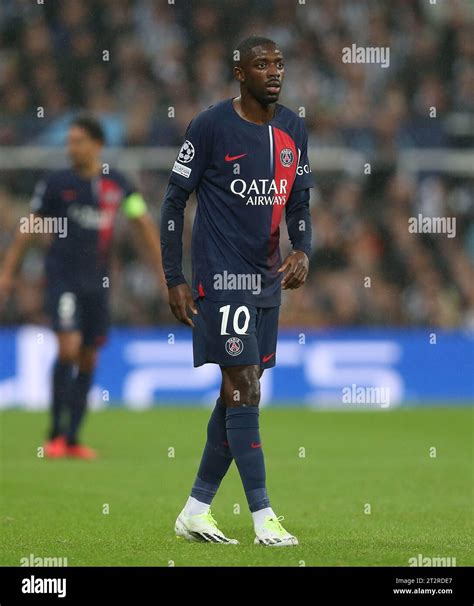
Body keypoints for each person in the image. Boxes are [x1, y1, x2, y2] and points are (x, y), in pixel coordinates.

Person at [160, 37, 314, 546]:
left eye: (279, 63)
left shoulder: (293, 128)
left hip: (267, 280)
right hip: (222, 279)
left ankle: (195, 510)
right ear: (239, 73)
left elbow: (299, 202)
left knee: (238, 396)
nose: (274, 72)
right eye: (262, 64)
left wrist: (302, 249)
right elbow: (172, 203)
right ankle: (264, 517)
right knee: (244, 388)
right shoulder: (209, 127)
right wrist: (173, 277)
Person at [0, 114, 164, 459]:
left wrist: (163, 272)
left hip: (98, 283)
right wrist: (8, 271)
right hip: (62, 279)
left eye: (78, 141)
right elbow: (30, 226)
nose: (71, 147)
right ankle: (55, 432)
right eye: (69, 141)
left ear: (97, 145)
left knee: (89, 355)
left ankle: (72, 438)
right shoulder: (57, 183)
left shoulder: (117, 184)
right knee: (68, 347)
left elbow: (140, 222)